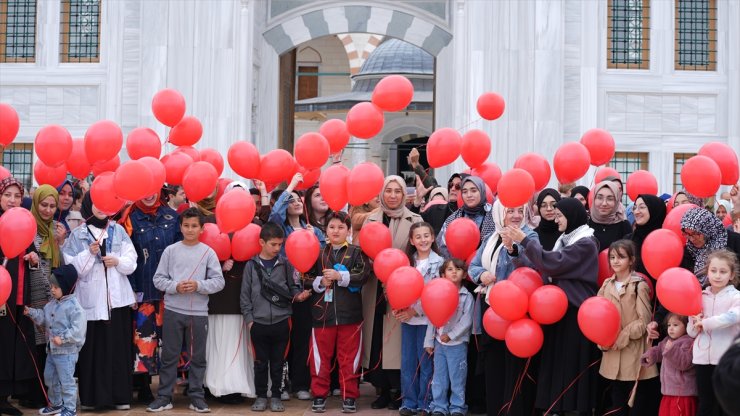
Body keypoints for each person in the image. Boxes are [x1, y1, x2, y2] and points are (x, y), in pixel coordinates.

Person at [503, 198, 600, 414]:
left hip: (576, 313)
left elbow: (553, 263)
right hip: (559, 310)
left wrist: (526, 240)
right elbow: (544, 265)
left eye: (560, 216)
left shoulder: (585, 243)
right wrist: (515, 249)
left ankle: (573, 409)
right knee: (557, 364)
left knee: (571, 364)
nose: (556, 220)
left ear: (572, 216)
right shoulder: (567, 239)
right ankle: (557, 407)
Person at [62, 193, 138, 411]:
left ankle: (120, 396)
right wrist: (88, 253)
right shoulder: (77, 234)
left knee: (117, 349)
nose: (102, 208)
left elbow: (131, 260)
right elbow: (72, 268)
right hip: (91, 303)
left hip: (117, 302)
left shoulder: (118, 229)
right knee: (93, 351)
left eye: (106, 203)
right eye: (97, 203)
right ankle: (92, 398)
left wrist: (117, 261)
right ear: (88, 205)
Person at [146, 208, 225, 413]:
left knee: (198, 356)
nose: (190, 230)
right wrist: (175, 286)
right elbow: (158, 279)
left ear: (201, 229)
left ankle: (197, 396)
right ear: (180, 227)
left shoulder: (208, 252)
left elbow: (218, 282)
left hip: (198, 313)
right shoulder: (170, 251)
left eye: (194, 226)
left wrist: (198, 285)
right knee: (169, 355)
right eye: (186, 225)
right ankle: (164, 397)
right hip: (173, 310)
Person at [468, 202, 538, 416]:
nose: (516, 216)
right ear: (501, 213)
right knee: (495, 367)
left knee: (515, 368)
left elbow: (533, 266)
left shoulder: (530, 236)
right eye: (510, 211)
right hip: (493, 312)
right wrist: (481, 275)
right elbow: (473, 266)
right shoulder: (492, 237)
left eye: (520, 211)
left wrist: (513, 249)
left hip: (519, 315)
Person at [361, 176, 423, 410]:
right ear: (381, 193)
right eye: (389, 191)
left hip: (401, 286)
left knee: (397, 338)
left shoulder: (415, 219)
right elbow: (363, 248)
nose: (394, 195)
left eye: (398, 191)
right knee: (376, 335)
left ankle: (399, 389)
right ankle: (382, 389)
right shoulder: (370, 219)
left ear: (405, 195)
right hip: (374, 285)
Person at [240, 222, 310, 412]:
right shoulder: (251, 266)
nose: (277, 249)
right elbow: (245, 295)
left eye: (280, 245)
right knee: (260, 363)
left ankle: (277, 396)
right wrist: (250, 320)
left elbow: (293, 287)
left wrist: (298, 295)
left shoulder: (285, 264)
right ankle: (261, 396)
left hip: (281, 320)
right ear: (262, 242)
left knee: (279, 363)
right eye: (273, 244)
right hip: (258, 323)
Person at [305, 212, 370, 413]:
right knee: (319, 357)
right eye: (332, 227)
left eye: (341, 227)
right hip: (321, 315)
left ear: (348, 231)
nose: (336, 231)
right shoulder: (316, 252)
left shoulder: (357, 252)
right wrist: (319, 282)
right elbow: (303, 276)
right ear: (325, 230)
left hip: (350, 316)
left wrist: (340, 276)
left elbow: (363, 275)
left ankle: (349, 396)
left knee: (349, 358)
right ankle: (319, 395)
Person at [268, 173, 325, 400]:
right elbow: (273, 217)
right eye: (290, 200)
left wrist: (315, 240)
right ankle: (280, 385)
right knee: (282, 341)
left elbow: (322, 259)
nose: (296, 202)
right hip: (283, 292)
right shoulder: (280, 230)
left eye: (298, 199)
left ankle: (300, 384)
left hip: (306, 291)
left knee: (302, 339)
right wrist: (291, 186)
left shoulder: (314, 230)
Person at [126, 192, 182, 402]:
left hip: (169, 292)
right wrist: (130, 288)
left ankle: (168, 387)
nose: (149, 195)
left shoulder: (172, 216)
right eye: (144, 190)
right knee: (144, 342)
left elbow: (180, 251)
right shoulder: (130, 219)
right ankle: (143, 387)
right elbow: (129, 256)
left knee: (170, 340)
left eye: (153, 190)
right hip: (144, 290)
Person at [597, 240, 658, 415]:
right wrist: (602, 338)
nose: (615, 261)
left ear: (631, 260)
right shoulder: (606, 285)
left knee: (636, 402)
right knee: (616, 403)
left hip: (633, 353)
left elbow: (643, 321)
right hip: (612, 351)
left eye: (621, 257)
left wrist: (624, 335)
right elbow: (598, 315)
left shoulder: (639, 285)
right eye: (612, 257)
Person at [0, 177, 40, 416]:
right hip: (1, 295)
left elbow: (33, 256)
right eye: (8, 195)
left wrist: (34, 260)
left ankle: (6, 396)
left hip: (18, 297)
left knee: (13, 346)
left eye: (17, 196)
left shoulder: (25, 222)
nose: (13, 200)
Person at [23, 185, 66, 408]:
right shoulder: (28, 228)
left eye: (52, 206)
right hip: (33, 294)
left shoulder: (55, 230)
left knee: (48, 346)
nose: (48, 210)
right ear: (35, 203)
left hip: (51, 296)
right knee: (35, 346)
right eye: (43, 205)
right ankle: (32, 393)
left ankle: (45, 393)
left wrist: (61, 242)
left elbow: (62, 265)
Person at [395, 222, 443, 416]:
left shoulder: (439, 263)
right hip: (407, 323)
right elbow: (398, 286)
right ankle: (408, 401)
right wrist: (398, 307)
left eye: (426, 235)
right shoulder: (406, 262)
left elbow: (437, 294)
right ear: (412, 241)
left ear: (433, 238)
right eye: (418, 237)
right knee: (407, 362)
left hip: (427, 322)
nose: (423, 240)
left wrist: (414, 311)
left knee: (426, 364)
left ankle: (426, 402)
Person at [24, 270, 86, 416]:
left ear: (65, 287)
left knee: (66, 382)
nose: (52, 290)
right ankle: (56, 404)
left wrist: (63, 338)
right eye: (51, 286)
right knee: (50, 378)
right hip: (52, 351)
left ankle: (70, 409)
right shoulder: (50, 305)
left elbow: (78, 331)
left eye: (55, 287)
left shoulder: (75, 307)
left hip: (67, 353)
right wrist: (31, 312)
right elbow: (43, 318)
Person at [687, 249, 740, 416]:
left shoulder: (736, 296)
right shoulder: (699, 296)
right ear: (707, 272)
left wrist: (707, 323)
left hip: (725, 360)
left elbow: (732, 317)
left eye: (723, 271)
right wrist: (695, 322)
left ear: (731, 275)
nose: (717, 275)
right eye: (713, 270)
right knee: (705, 403)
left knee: (725, 405)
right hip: (702, 360)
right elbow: (691, 333)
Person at [423, 258, 474, 416]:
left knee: (457, 378)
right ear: (443, 274)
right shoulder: (437, 295)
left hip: (457, 344)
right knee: (439, 377)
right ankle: (439, 406)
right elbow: (433, 318)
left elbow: (467, 320)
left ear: (464, 274)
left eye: (458, 269)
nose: (454, 272)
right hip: (439, 344)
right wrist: (429, 341)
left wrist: (451, 335)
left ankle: (457, 407)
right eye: (450, 269)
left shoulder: (467, 297)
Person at [641, 314, 697, 416]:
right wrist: (651, 355)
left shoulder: (688, 342)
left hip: (682, 395)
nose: (671, 328)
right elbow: (658, 350)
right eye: (669, 325)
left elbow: (684, 362)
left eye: (675, 325)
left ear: (686, 326)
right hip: (667, 392)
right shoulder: (667, 340)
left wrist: (671, 350)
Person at [436, 176, 496, 258]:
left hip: (486, 268)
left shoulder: (494, 216)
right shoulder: (453, 218)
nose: (469, 195)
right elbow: (442, 247)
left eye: (474, 191)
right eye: (464, 192)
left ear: (482, 191)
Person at [679, 207, 740, 283]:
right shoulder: (688, 250)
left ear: (707, 229)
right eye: (687, 234)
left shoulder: (735, 241)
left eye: (696, 234)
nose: (692, 239)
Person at [627, 194, 667, 281]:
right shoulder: (628, 240)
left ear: (654, 210)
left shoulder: (666, 242)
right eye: (635, 207)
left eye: (642, 207)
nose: (636, 212)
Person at [588, 181, 632, 251]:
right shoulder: (586, 224)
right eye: (599, 198)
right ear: (594, 199)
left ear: (617, 201)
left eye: (610, 199)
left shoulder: (624, 226)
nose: (604, 203)